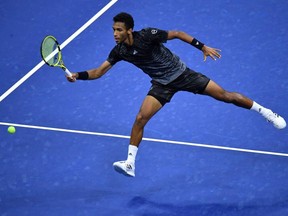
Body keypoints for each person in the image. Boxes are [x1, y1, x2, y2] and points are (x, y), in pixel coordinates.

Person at [67, 12, 286, 177]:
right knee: (140, 119)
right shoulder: (119, 51)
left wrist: (202, 47)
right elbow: (99, 72)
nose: (115, 34)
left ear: (130, 30)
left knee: (225, 96)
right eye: (113, 30)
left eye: (119, 30)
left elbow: (178, 34)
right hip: (162, 85)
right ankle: (130, 164)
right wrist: (78, 74)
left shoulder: (148, 35)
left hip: (183, 75)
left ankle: (266, 112)